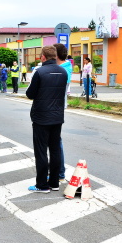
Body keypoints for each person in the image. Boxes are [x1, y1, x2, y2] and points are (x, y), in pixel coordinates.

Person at [25, 46, 68, 193]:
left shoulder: (40, 72)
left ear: (43, 57)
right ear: (55, 56)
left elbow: (30, 94)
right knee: (55, 149)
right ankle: (54, 183)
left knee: (41, 151)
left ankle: (42, 185)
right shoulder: (63, 72)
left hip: (41, 117)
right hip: (57, 116)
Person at [53, 43, 72, 185]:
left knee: (55, 140)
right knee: (54, 140)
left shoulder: (63, 69)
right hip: (57, 106)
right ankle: (57, 171)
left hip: (56, 107)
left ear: (56, 55)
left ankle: (59, 172)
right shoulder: (66, 67)